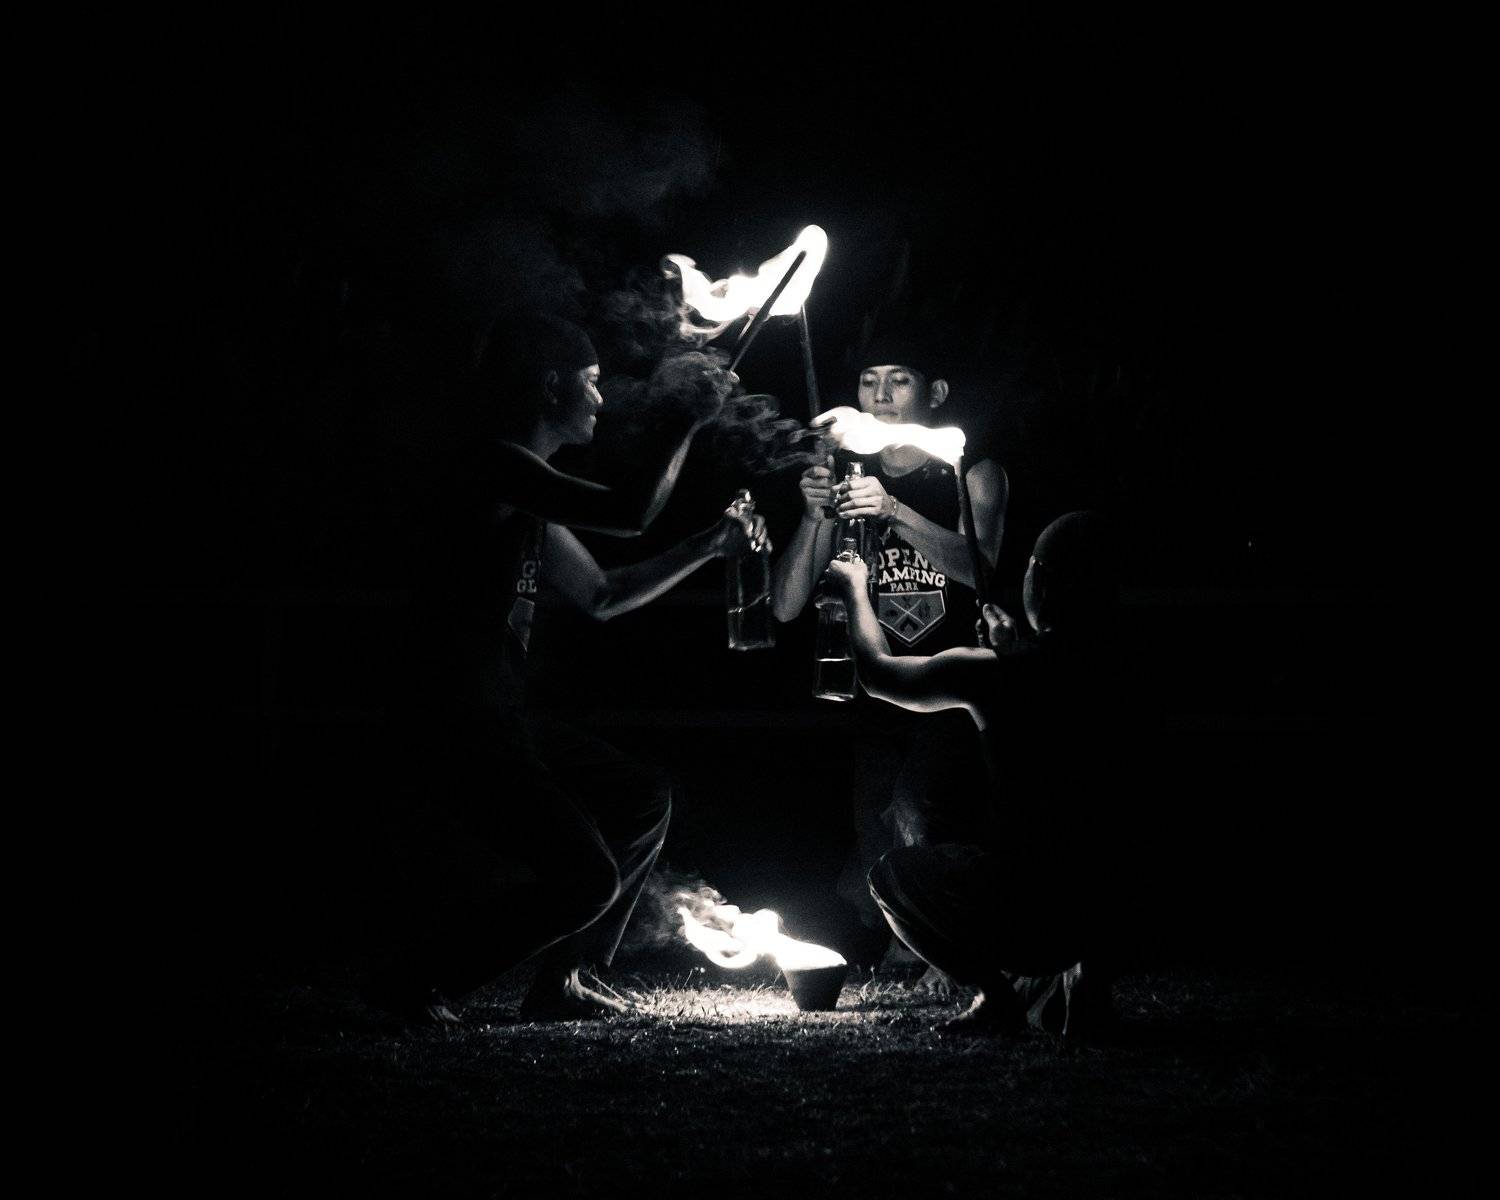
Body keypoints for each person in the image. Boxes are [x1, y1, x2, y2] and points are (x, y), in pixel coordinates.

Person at [378, 314, 766, 1024]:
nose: (600, 398)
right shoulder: (492, 466)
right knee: (586, 878)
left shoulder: (523, 489)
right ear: (550, 386)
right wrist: (686, 418)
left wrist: (709, 545)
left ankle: (567, 978)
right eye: (589, 383)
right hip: (454, 717)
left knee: (641, 795)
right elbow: (629, 512)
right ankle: (419, 980)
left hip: (501, 713)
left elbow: (602, 594)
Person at [822, 511, 1124, 1036]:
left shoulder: (996, 674)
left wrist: (854, 591)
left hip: (1028, 912)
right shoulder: (1124, 673)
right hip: (1114, 910)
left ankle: (994, 996)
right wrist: (1008, 647)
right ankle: (1088, 987)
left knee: (892, 876)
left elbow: (878, 675)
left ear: (1039, 582)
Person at [771, 346, 1007, 965]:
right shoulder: (847, 476)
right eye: (869, 380)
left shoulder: (968, 469)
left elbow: (981, 570)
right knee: (877, 836)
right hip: (873, 692)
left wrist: (895, 511)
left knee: (926, 814)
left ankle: (957, 959)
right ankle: (918, 957)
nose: (880, 395)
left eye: (900, 380)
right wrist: (813, 516)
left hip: (951, 689)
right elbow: (787, 605)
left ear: (935, 393)